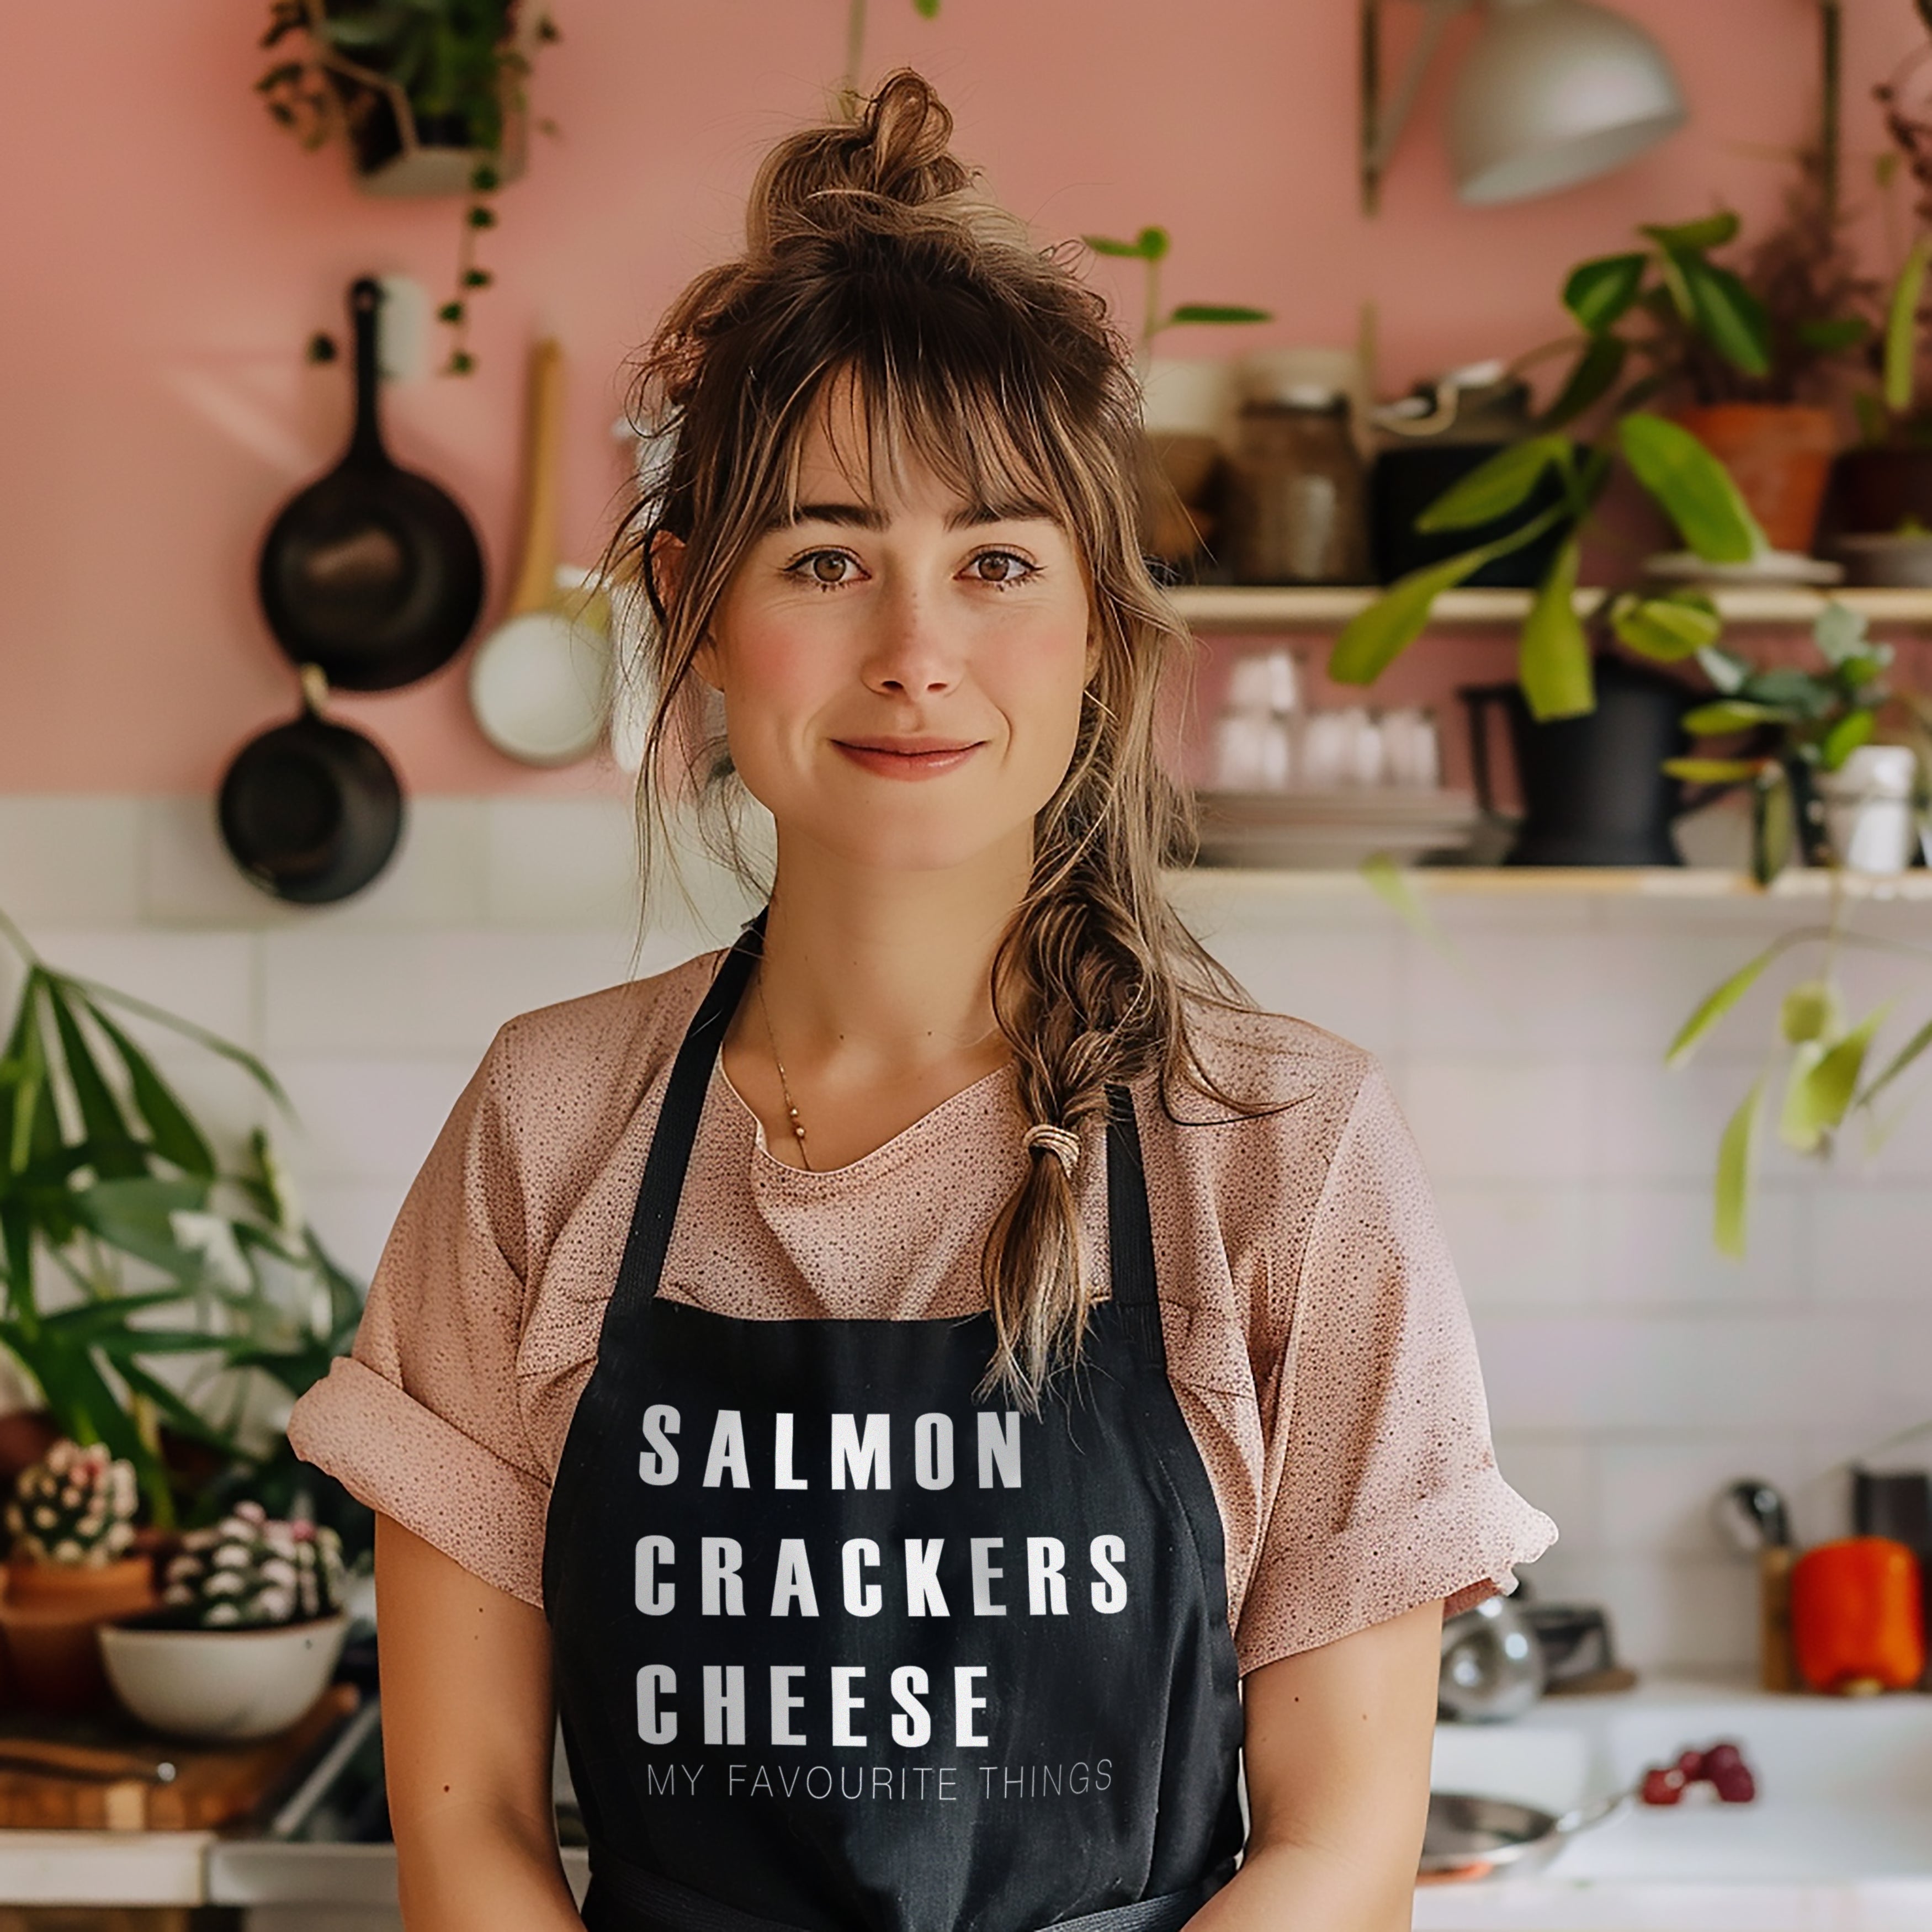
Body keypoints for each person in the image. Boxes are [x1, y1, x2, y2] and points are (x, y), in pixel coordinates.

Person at [290, 71, 1554, 1932]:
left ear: (1100, 632)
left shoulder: (1283, 1154)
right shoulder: (547, 1123)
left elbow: (1339, 1850)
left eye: (995, 563)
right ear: (692, 609)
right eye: (823, 559)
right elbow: (467, 1834)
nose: (913, 654)